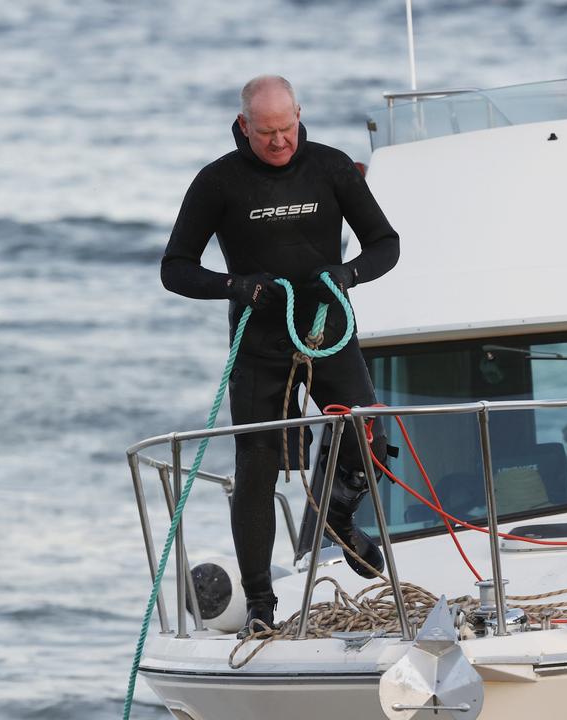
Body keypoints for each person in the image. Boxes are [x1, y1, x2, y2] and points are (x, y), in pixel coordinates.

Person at [161, 75, 399, 636]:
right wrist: (233, 286)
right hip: (259, 342)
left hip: (328, 328)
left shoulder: (331, 167)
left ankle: (337, 513)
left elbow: (386, 244)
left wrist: (348, 274)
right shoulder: (218, 181)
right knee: (257, 469)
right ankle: (262, 605)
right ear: (244, 126)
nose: (278, 142)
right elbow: (175, 268)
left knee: (371, 440)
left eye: (287, 128)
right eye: (265, 132)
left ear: (300, 115)